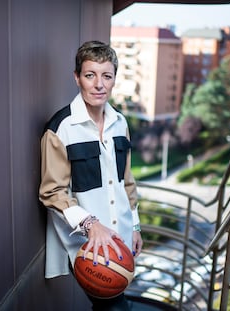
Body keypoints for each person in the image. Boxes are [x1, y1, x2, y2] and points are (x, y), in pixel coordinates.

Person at [39, 40, 142, 311]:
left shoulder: (121, 124)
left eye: (106, 76)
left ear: (114, 80)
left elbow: (126, 182)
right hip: (85, 243)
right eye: (90, 75)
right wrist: (91, 225)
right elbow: (52, 192)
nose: (99, 84)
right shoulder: (61, 128)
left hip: (120, 236)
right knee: (114, 306)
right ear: (77, 78)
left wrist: (135, 226)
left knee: (113, 303)